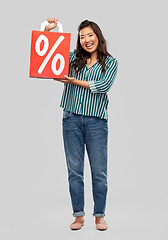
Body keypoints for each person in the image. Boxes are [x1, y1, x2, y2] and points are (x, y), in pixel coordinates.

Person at [44, 18, 118, 231]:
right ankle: (78, 215)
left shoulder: (111, 63)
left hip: (96, 121)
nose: (86, 40)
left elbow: (103, 86)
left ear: (98, 36)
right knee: (74, 170)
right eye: (82, 36)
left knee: (99, 172)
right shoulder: (73, 58)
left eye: (90, 35)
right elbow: (50, 61)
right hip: (71, 120)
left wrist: (73, 81)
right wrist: (49, 32)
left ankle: (99, 216)